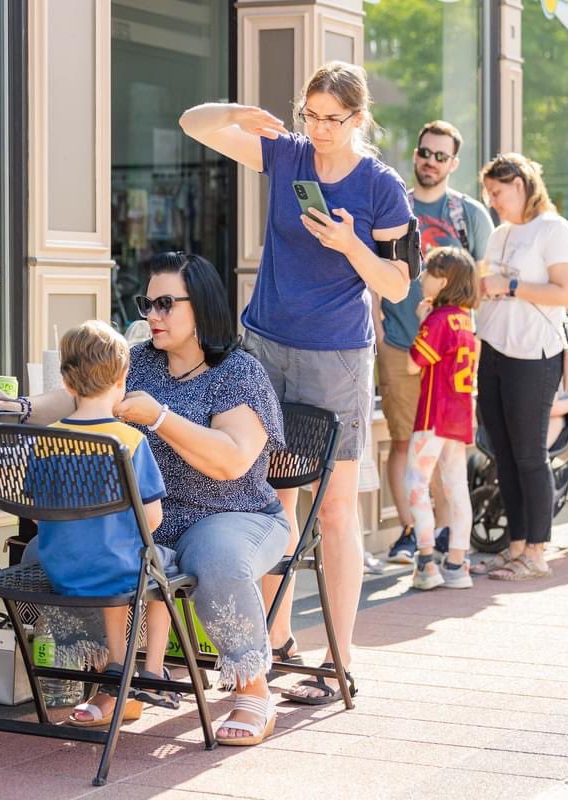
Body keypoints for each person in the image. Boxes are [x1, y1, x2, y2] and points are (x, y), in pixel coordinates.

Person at [179, 61, 412, 704]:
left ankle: (338, 656)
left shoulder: (382, 187)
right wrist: (237, 113)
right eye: (309, 114)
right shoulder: (287, 156)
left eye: (332, 119)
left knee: (334, 509)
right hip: (264, 347)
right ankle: (275, 641)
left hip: (336, 356)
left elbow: (396, 284)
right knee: (266, 499)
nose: (318, 129)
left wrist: (349, 244)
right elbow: (191, 123)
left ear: (359, 119)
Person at [9, 252, 290, 746]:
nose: (151, 316)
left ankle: (254, 690)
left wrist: (160, 418)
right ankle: (117, 679)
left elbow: (234, 461)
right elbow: (72, 398)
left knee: (216, 557)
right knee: (48, 552)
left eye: (164, 304)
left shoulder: (238, 372)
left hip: (232, 513)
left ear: (200, 306)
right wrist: (14, 408)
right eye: (146, 304)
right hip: (149, 517)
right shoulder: (138, 362)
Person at [31, 321, 175, 727]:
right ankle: (152, 669)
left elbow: (35, 512)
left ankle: (115, 664)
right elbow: (152, 518)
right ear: (123, 378)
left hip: (61, 571)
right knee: (160, 568)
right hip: (116, 572)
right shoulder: (128, 441)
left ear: (66, 382)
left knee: (119, 561)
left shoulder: (48, 439)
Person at [378, 120, 493, 565]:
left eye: (440, 155)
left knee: (444, 449)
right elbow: (372, 274)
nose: (429, 161)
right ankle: (411, 532)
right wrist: (377, 328)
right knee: (404, 441)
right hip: (399, 343)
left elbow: (478, 287)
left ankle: (443, 535)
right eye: (424, 152)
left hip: (448, 356)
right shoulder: (394, 206)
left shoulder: (469, 215)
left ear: (454, 163)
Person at [469, 153, 568, 580]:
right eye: (489, 194)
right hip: (493, 349)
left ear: (520, 184)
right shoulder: (499, 234)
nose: (493, 201)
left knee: (530, 454)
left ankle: (536, 553)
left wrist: (510, 286)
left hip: (534, 354)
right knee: (504, 455)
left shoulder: (554, 230)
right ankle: (515, 547)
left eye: (498, 192)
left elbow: (566, 292)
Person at [403, 247, 479, 590]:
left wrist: (423, 324)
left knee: (417, 484)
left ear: (444, 280)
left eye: (430, 271)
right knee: (457, 488)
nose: (423, 277)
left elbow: (413, 363)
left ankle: (426, 561)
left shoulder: (438, 319)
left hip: (434, 413)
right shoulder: (465, 319)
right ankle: (458, 563)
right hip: (460, 416)